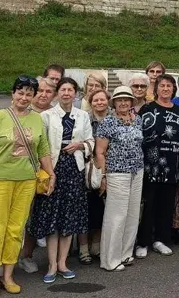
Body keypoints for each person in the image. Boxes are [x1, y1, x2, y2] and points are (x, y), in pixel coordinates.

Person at [0, 76, 55, 298]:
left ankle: (8, 276)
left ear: (33, 96)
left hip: (27, 181)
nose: (24, 97)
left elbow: (43, 149)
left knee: (15, 230)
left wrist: (51, 173)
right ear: (13, 94)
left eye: (29, 94)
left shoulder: (37, 119)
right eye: (20, 93)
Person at [30, 78, 93, 284]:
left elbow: (91, 140)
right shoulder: (47, 115)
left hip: (74, 169)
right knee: (52, 219)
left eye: (70, 90)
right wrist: (47, 171)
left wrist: (80, 145)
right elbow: (41, 144)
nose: (66, 93)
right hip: (53, 169)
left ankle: (63, 263)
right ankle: (51, 265)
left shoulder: (83, 115)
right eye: (63, 89)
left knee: (68, 218)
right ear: (57, 93)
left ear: (75, 93)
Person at [135, 74, 179, 258]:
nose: (165, 89)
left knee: (166, 204)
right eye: (162, 86)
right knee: (148, 204)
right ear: (156, 89)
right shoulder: (147, 109)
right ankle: (143, 241)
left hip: (171, 164)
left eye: (169, 86)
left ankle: (161, 240)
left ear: (173, 89)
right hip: (150, 165)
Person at [96, 87, 144, 271]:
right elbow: (100, 152)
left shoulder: (137, 120)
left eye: (127, 100)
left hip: (137, 171)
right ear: (113, 103)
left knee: (132, 215)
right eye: (119, 100)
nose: (123, 103)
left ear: (132, 102)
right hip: (117, 173)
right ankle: (110, 260)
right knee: (116, 216)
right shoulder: (108, 122)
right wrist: (103, 176)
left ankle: (125, 253)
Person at [18, 76, 58, 273]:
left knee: (35, 217)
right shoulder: (23, 112)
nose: (43, 95)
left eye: (48, 92)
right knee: (19, 216)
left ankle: (27, 255)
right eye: (40, 91)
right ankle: (10, 258)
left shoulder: (55, 113)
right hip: (22, 171)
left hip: (46, 172)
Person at [78, 89, 110, 265]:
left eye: (102, 99)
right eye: (95, 100)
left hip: (108, 168)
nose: (99, 102)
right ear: (91, 102)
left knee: (100, 210)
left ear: (107, 101)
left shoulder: (113, 118)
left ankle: (96, 246)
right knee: (84, 210)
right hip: (86, 169)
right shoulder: (84, 118)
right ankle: (83, 248)